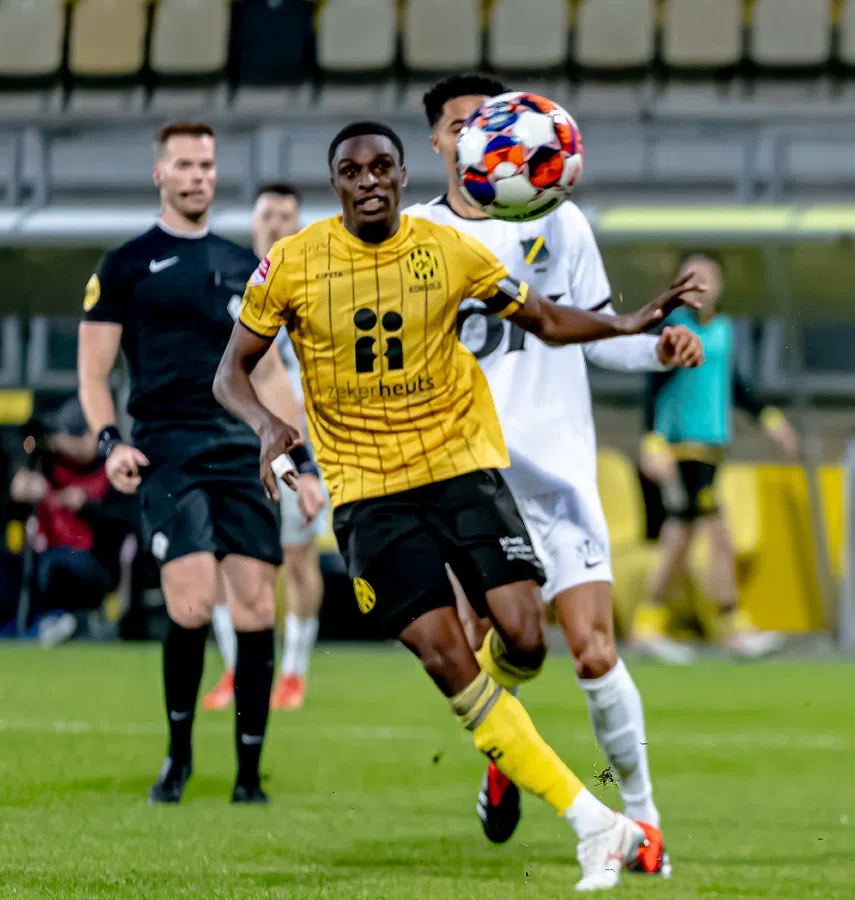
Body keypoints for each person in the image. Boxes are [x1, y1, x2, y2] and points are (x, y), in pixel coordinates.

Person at [214, 120, 690, 890]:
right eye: (350, 170)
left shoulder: (448, 251)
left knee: (527, 639)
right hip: (370, 493)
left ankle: (512, 754)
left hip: (460, 468)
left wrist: (627, 323)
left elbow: (542, 318)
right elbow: (230, 371)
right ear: (334, 182)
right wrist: (269, 424)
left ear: (402, 175)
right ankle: (592, 819)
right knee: (446, 657)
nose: (367, 180)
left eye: (380, 167)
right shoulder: (294, 263)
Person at [406, 72, 705, 855]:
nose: (485, 133)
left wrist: (659, 348)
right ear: (440, 141)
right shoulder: (413, 238)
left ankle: (644, 822)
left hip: (561, 469)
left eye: (496, 120)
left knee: (596, 650)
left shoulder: (562, 223)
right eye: (466, 123)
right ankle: (506, 757)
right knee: (501, 651)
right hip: (466, 472)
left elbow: (602, 330)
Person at [77, 121, 303, 805]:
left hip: (239, 451)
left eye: (206, 164)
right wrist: (110, 442)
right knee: (194, 599)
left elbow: (265, 378)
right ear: (160, 175)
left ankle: (246, 775)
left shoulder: (245, 264)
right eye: (184, 164)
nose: (198, 175)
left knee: (259, 606)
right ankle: (178, 758)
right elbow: (94, 375)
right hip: (166, 449)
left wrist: (303, 463)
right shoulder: (124, 265)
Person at [632, 252, 798, 664]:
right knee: (710, 534)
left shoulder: (723, 330)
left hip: (711, 447)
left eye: (709, 277)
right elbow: (653, 387)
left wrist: (768, 417)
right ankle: (728, 625)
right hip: (681, 448)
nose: (701, 285)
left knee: (681, 537)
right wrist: (651, 441)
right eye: (692, 277)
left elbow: (734, 385)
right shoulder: (673, 328)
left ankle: (651, 624)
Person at [203, 183, 326, 712]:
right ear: (253, 224)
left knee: (296, 560)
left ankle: (294, 672)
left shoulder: (318, 291)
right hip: (233, 447)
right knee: (223, 561)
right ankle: (235, 670)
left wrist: (312, 462)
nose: (276, 224)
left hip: (299, 449)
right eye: (268, 215)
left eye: (286, 216)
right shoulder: (225, 287)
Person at [13, 399, 132, 647]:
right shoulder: (47, 464)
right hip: (45, 556)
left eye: (71, 435)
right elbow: (23, 446)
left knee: (54, 568)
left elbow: (127, 522)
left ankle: (69, 623)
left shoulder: (111, 467)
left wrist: (87, 507)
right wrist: (21, 486)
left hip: (94, 564)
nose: (63, 442)